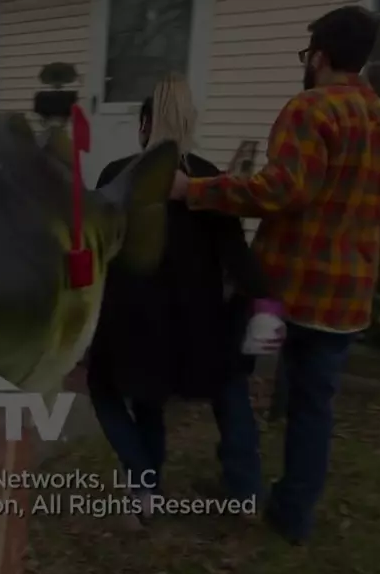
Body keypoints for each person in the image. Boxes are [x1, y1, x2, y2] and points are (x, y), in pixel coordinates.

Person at [169, 6, 380, 544]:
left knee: (228, 373)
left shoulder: (311, 108)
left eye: (307, 55)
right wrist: (365, 272)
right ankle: (293, 516)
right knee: (312, 408)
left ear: (319, 57)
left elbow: (282, 190)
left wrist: (196, 192)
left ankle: (242, 485)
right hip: (346, 300)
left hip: (284, 291)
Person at [86, 73, 280, 527]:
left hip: (131, 319)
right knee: (154, 396)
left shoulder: (117, 176)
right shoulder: (210, 180)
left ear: (144, 126)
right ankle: (219, 490)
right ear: (191, 122)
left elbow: (96, 249)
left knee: (111, 391)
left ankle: (144, 484)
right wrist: (266, 304)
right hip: (194, 323)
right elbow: (236, 254)